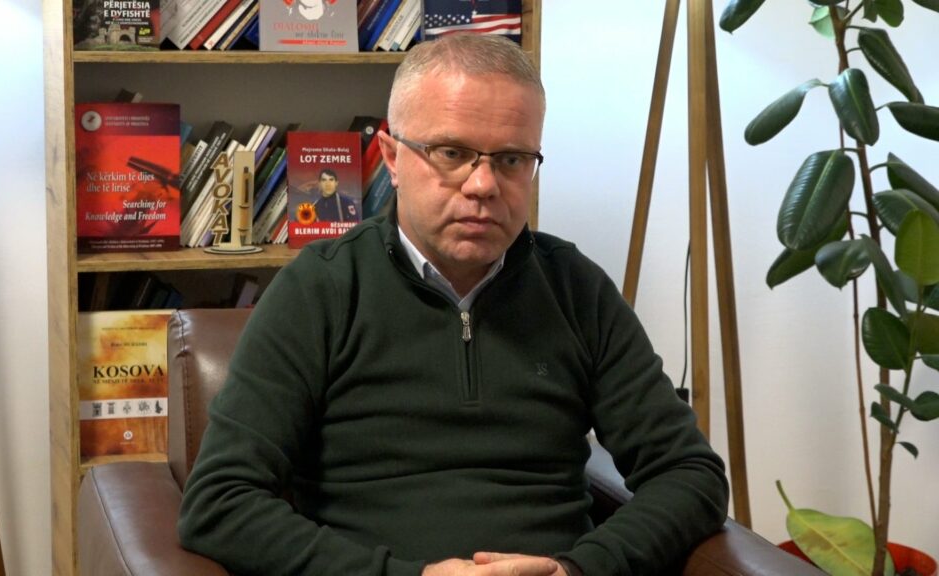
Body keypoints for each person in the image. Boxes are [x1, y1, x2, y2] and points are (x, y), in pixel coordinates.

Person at [178, 33, 729, 576]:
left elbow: (690, 473)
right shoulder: (320, 289)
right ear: (392, 158)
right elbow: (221, 502)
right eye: (452, 153)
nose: (484, 184)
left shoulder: (574, 289)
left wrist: (579, 569)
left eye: (511, 159)